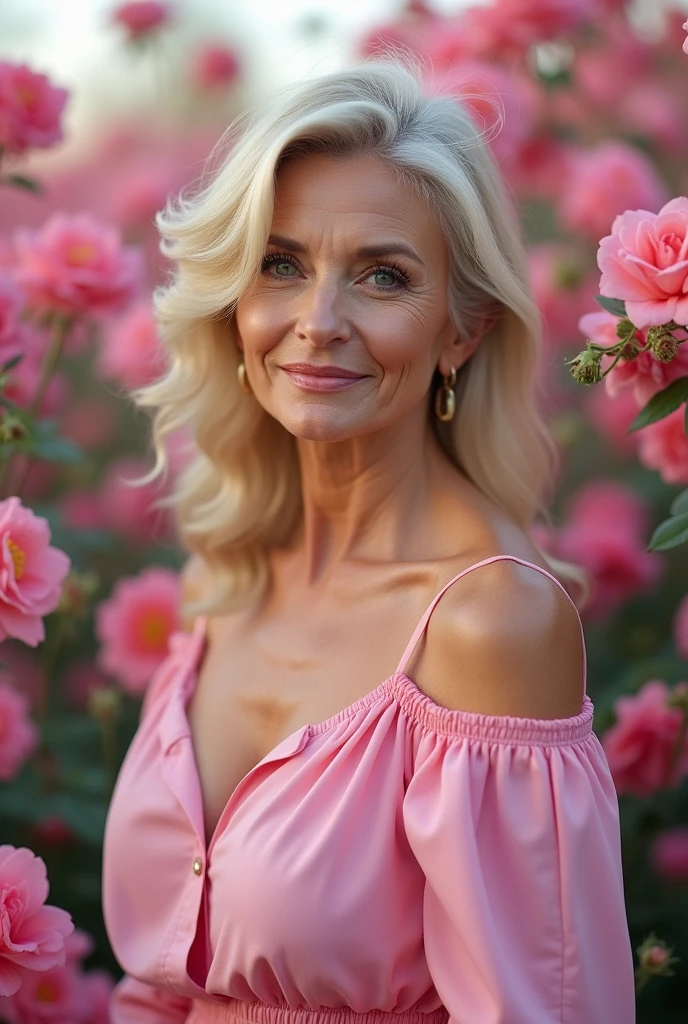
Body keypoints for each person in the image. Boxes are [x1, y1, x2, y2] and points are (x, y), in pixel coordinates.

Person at [101, 54, 636, 1024]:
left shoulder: (489, 627)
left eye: (381, 276)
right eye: (281, 264)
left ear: (460, 330)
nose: (317, 322)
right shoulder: (225, 576)